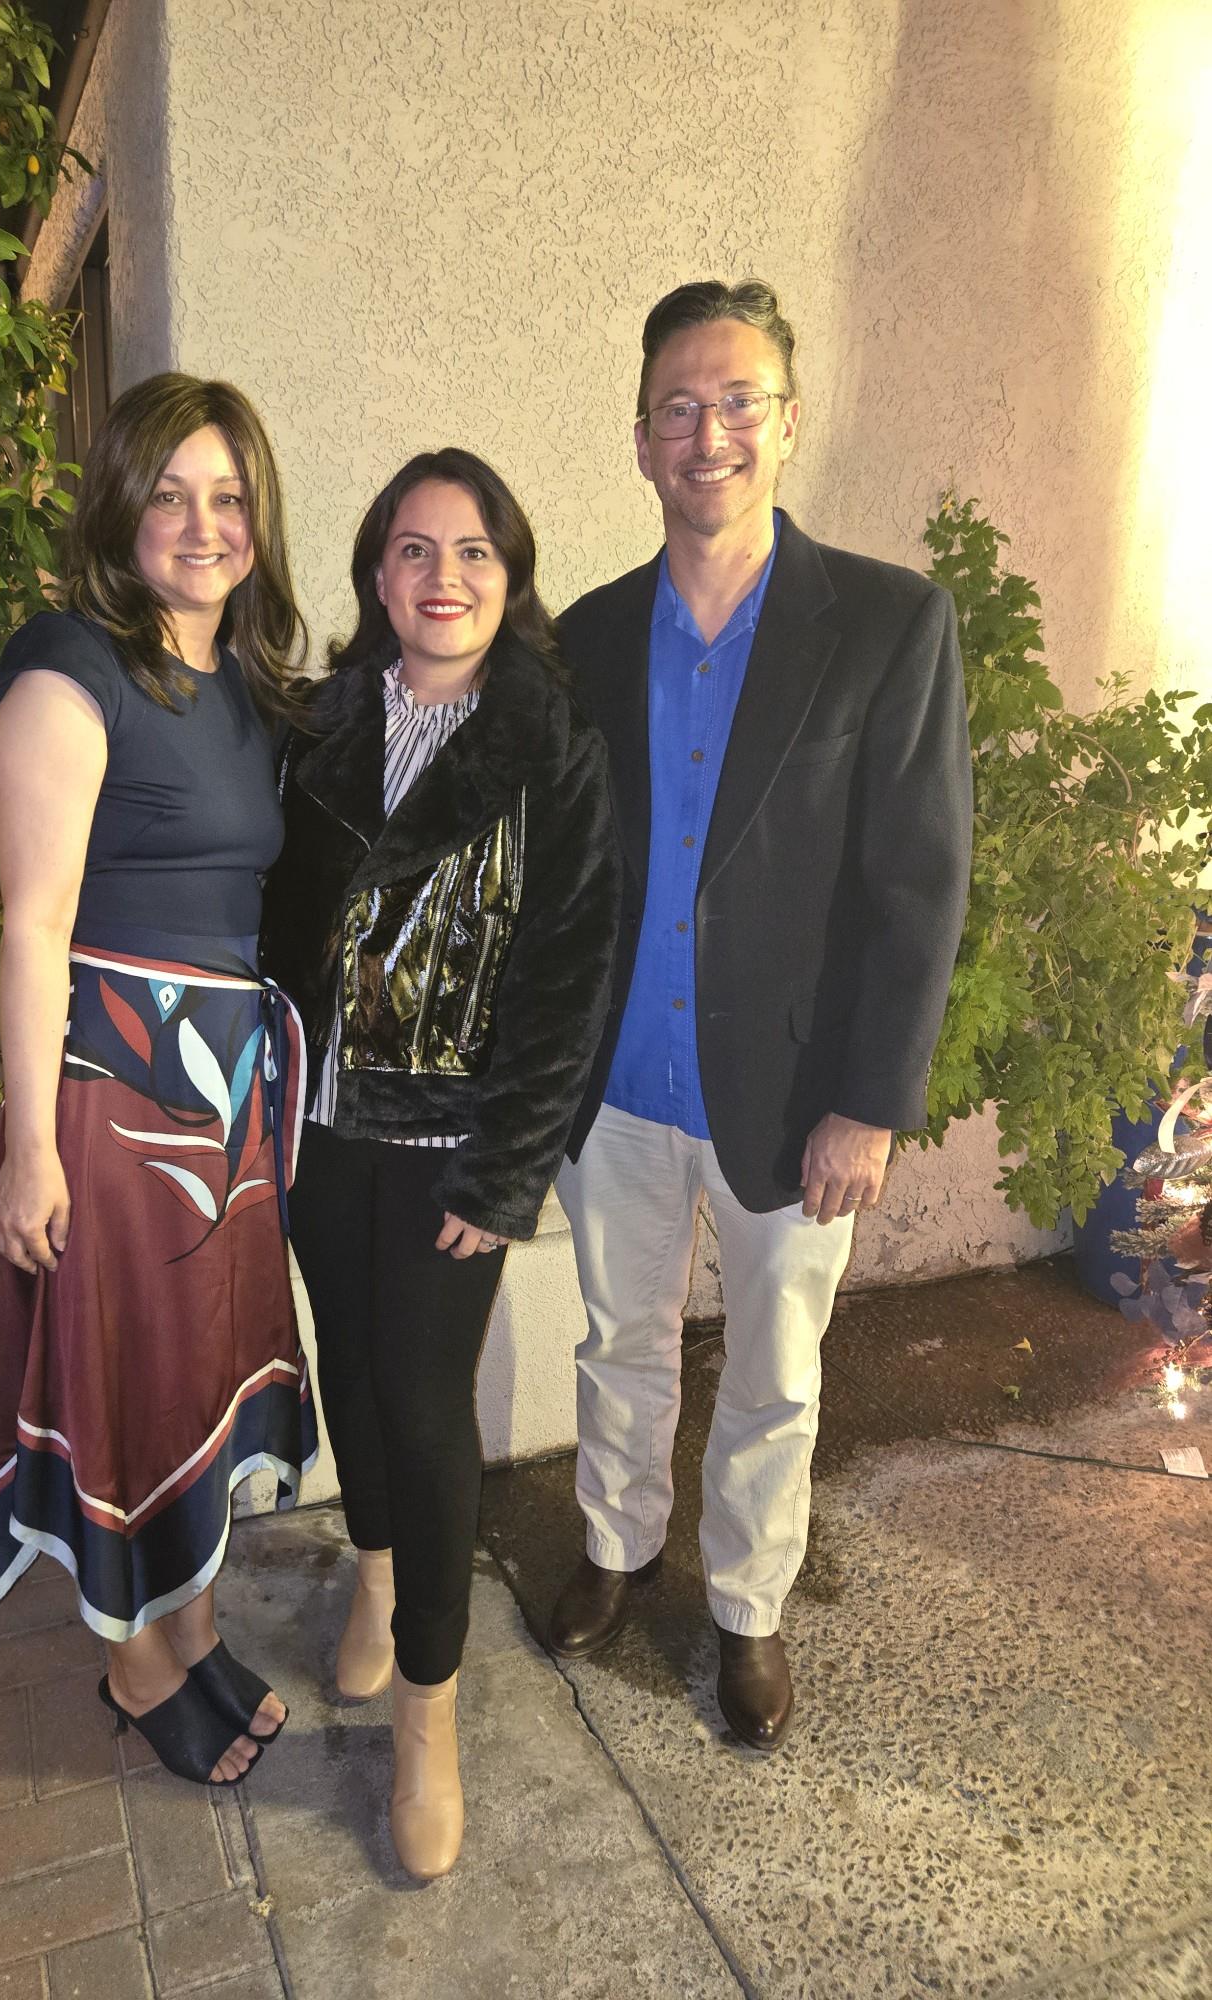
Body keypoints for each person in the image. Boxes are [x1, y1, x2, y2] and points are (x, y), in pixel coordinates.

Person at [546, 280, 973, 1751]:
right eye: (679, 405)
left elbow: (919, 883)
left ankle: (748, 1606)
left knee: (778, 1373)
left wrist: (873, 1096)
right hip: (619, 1078)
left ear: (788, 425)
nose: (708, 430)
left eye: (738, 402)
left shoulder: (890, 626)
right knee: (621, 1338)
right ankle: (615, 1547)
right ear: (643, 440)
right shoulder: (587, 639)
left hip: (796, 1094)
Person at [260, 449, 618, 1877]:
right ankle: (376, 1571)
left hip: (448, 1149)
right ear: (376, 575)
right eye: (413, 550)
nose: (443, 577)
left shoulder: (549, 750)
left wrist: (503, 1171)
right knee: (347, 1365)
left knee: (421, 1407)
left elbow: (568, 978)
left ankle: (430, 1710)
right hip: (315, 1130)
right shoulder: (320, 726)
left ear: (510, 575)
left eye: (472, 551)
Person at [0, 373, 317, 1789]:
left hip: (220, 1105)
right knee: (133, 1385)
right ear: (120, 508)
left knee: (194, 1382)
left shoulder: (247, 680)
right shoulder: (70, 669)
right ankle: (132, 1662)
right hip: (110, 1105)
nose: (202, 522)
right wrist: (35, 1153)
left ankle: (191, 1624)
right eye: (169, 492)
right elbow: (31, 923)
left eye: (228, 496)